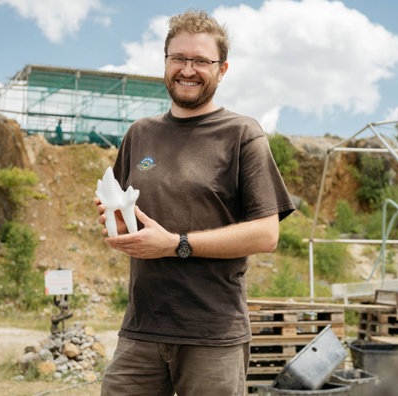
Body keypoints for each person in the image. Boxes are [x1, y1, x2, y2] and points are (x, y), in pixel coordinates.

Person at [94, 9, 294, 396]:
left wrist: (176, 244)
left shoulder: (241, 134)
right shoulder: (140, 134)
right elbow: (125, 214)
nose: (188, 69)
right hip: (142, 329)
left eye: (202, 60)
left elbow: (266, 234)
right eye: (179, 58)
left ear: (222, 69)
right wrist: (116, 224)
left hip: (212, 335)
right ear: (166, 63)